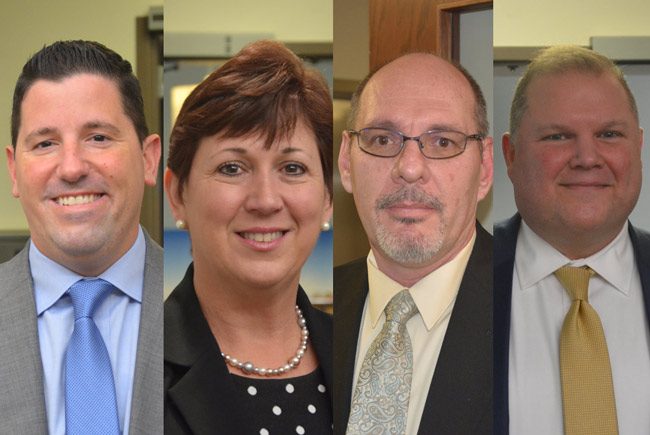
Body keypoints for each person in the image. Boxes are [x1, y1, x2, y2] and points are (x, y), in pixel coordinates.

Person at [164, 40, 333, 434]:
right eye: (232, 168)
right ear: (177, 195)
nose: (265, 200)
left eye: (292, 167)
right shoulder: (131, 368)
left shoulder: (364, 356)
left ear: (326, 198)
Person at [0, 40, 163, 435]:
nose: (71, 168)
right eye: (45, 144)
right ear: (14, 171)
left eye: (98, 137)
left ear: (149, 158)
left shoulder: (204, 304)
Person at [334, 53, 494, 434]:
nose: (408, 168)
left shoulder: (536, 315)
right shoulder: (303, 316)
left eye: (442, 141)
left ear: (484, 168)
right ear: (346, 162)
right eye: (382, 139)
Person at [495, 45, 650, 435]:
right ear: (510, 155)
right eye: (558, 136)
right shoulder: (461, 282)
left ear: (639, 146)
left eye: (609, 134)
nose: (586, 157)